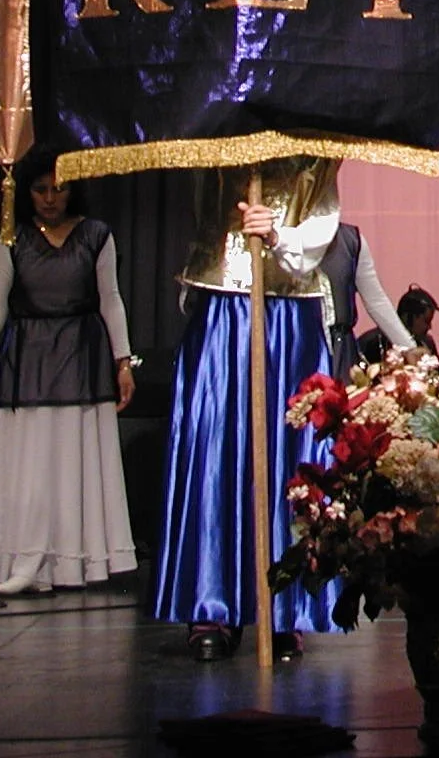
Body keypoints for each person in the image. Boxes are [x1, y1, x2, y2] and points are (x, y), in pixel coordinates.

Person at [152, 158, 346, 662]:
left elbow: (318, 233)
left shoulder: (315, 148)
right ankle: (212, 604)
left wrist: (279, 233)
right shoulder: (213, 136)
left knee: (288, 457)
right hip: (223, 309)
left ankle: (283, 607)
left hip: (288, 313)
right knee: (217, 449)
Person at [0, 156, 136, 594]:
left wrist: (123, 362)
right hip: (28, 360)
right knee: (29, 465)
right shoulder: (12, 239)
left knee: (73, 461)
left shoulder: (96, 235)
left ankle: (72, 562)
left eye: (58, 189)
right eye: (40, 190)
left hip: (80, 356)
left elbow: (111, 299)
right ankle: (26, 559)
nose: (50, 199)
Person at [317, 224, 418, 381]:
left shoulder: (351, 240)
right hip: (297, 344)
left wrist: (408, 347)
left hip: (340, 348)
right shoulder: (279, 238)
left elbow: (375, 300)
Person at [356, 286, 439, 370]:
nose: (429, 327)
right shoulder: (371, 342)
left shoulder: (427, 343)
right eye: (427, 321)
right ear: (407, 317)